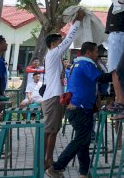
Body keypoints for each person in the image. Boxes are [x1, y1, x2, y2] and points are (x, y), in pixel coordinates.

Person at [46, 42, 113, 178]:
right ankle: (56, 167)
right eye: (95, 52)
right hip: (81, 109)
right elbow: (101, 78)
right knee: (81, 139)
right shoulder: (86, 64)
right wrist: (119, 72)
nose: (97, 55)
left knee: (84, 140)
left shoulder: (76, 64)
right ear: (88, 53)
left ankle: (84, 172)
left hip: (77, 107)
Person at [42, 11, 83, 170]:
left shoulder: (52, 56)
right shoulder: (53, 54)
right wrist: (77, 22)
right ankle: (48, 161)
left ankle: (45, 158)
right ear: (53, 43)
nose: (61, 44)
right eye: (59, 41)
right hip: (53, 97)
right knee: (52, 131)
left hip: (52, 96)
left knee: (49, 130)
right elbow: (68, 41)